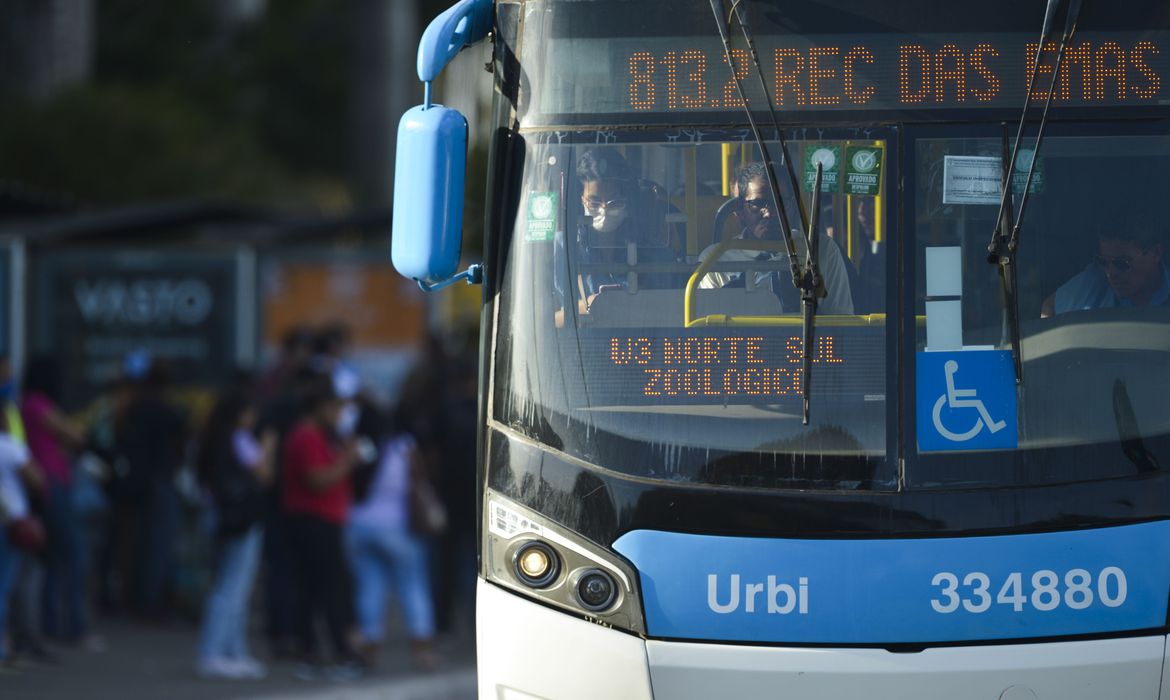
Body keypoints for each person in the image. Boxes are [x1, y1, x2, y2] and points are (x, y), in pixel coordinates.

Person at [280, 376, 364, 680]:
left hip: (324, 521)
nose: (339, 415)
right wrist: (349, 461)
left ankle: (314, 653)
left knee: (318, 588)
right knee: (326, 589)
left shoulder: (322, 435)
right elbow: (316, 480)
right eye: (335, 408)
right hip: (313, 521)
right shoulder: (306, 437)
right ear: (321, 407)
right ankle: (335, 653)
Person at [345, 405, 439, 671]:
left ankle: (370, 651)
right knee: (412, 587)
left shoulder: (358, 445)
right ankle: (423, 651)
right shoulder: (404, 446)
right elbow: (420, 479)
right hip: (398, 528)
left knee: (369, 587)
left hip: (359, 525)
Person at [697, 162, 855, 314]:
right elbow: (711, 329)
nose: (769, 213)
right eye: (757, 204)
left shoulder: (821, 251)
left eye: (780, 203)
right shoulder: (714, 259)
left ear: (792, 206)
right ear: (739, 209)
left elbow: (840, 321)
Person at [195, 388, 276, 679]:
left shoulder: (215, 439)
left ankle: (232, 651)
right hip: (241, 520)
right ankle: (216, 651)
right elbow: (264, 474)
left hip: (222, 518)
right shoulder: (239, 439)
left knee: (232, 585)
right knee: (233, 587)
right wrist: (267, 445)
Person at [555, 149, 681, 325]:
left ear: (628, 199)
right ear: (580, 199)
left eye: (614, 201)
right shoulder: (563, 247)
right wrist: (590, 306)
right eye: (594, 201)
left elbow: (677, 313)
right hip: (580, 346)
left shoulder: (656, 253)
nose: (604, 209)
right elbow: (542, 322)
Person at [20, 356, 92, 648]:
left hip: (50, 484)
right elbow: (73, 435)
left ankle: (51, 623)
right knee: (73, 554)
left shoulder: (29, 405)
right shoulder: (37, 404)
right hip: (51, 485)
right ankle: (73, 625)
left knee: (53, 557)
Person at [1042, 221, 1169, 316]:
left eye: (1121, 263)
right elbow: (1050, 306)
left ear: (1155, 253)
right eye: (1103, 262)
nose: (1110, 273)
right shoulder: (1095, 281)